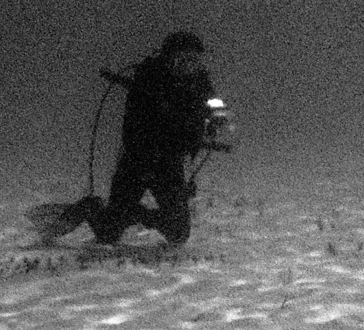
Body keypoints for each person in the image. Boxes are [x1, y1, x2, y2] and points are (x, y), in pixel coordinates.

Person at [37, 31, 228, 247]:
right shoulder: (148, 80)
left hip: (170, 164)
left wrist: (217, 118)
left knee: (178, 233)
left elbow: (215, 103)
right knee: (108, 234)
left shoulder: (200, 81)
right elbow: (133, 129)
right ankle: (92, 208)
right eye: (182, 60)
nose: (188, 66)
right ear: (168, 58)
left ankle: (130, 213)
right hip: (137, 163)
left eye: (194, 61)